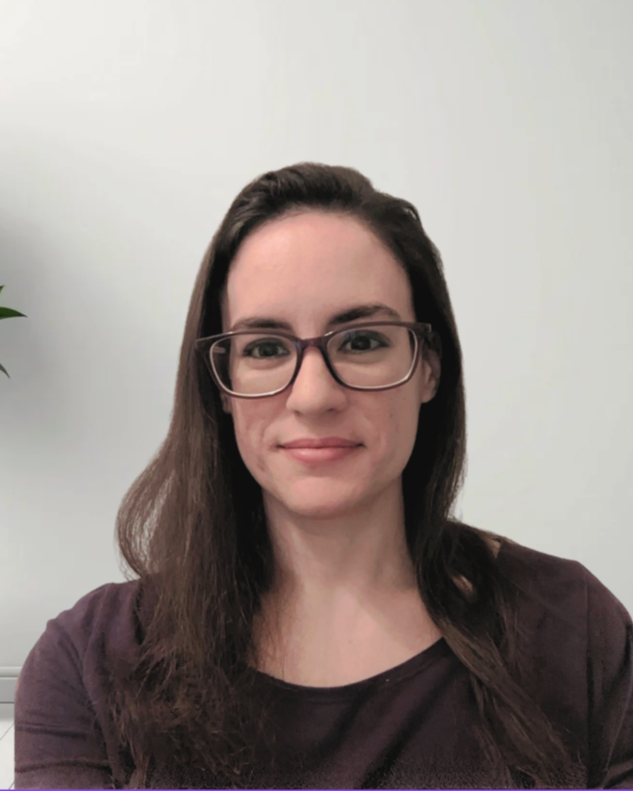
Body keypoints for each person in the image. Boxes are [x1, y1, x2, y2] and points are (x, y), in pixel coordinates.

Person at [14, 162, 633, 790]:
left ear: (429, 369)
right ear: (221, 386)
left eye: (362, 341)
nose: (313, 397)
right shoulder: (89, 664)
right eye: (265, 348)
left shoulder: (572, 631)